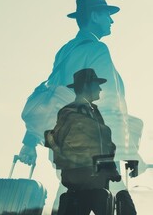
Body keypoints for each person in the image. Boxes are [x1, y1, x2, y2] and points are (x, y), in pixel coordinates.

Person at [18, 0, 144, 214]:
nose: (112, 20)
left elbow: (51, 99)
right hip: (96, 156)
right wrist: (127, 151)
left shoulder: (66, 51)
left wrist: (30, 141)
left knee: (72, 198)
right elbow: (109, 106)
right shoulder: (97, 50)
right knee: (120, 204)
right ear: (95, 16)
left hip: (67, 151)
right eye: (107, 15)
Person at [45, 68, 123, 215]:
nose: (100, 89)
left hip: (94, 183)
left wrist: (110, 170)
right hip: (83, 184)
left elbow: (103, 146)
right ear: (87, 86)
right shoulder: (72, 112)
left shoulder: (91, 111)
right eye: (96, 84)